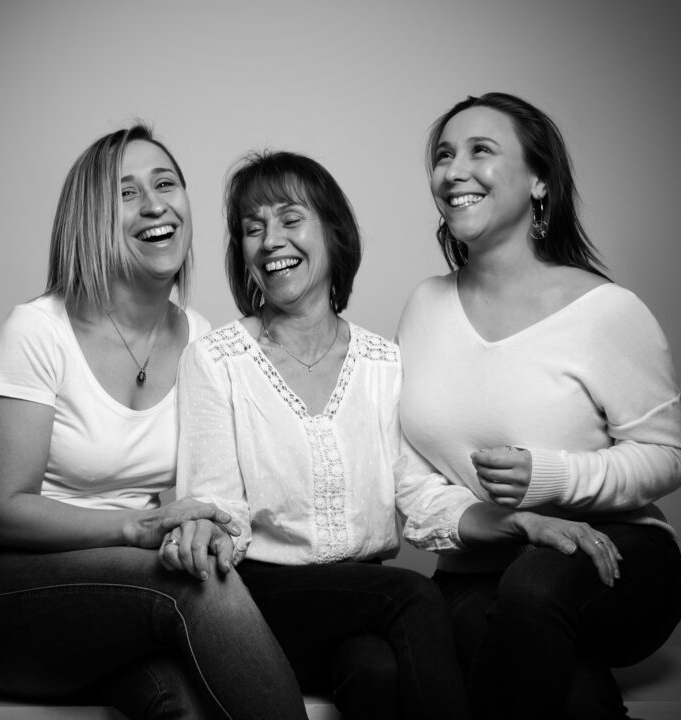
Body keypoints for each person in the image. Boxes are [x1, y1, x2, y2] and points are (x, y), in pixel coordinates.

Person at [0, 125, 309, 720]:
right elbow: (6, 509)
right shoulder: (36, 332)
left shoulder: (202, 338)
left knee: (179, 703)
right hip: (2, 598)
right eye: (127, 192)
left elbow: (198, 487)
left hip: (122, 602)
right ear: (89, 218)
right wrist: (137, 528)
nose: (155, 204)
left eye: (166, 184)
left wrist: (199, 529)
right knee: (194, 585)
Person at [397, 92, 681, 719]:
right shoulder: (423, 307)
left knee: (534, 587)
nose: (453, 171)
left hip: (618, 562)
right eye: (444, 155)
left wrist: (550, 477)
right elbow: (410, 478)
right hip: (475, 574)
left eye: (481, 151)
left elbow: (666, 458)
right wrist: (507, 521)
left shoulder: (605, 311)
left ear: (539, 181)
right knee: (567, 686)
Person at [167, 150, 471, 720]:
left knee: (375, 673)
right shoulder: (215, 360)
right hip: (260, 600)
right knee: (415, 595)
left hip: (362, 599)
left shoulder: (385, 363)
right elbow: (218, 504)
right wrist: (202, 532)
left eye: (288, 218)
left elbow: (418, 491)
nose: (269, 240)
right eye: (252, 229)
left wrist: (515, 520)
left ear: (333, 232)